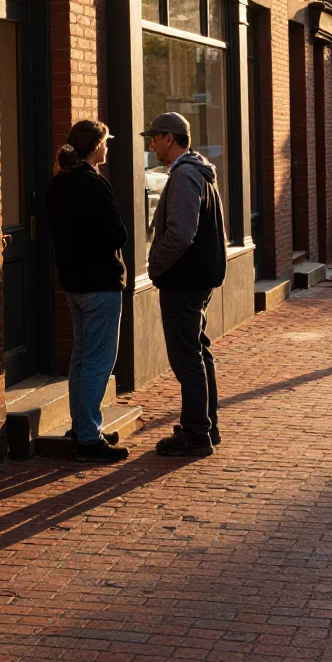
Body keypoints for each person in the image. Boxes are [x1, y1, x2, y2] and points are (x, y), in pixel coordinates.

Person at [143, 111, 227, 458]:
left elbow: (180, 233)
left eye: (155, 137)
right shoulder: (196, 172)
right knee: (197, 352)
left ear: (169, 139)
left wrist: (155, 265)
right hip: (194, 278)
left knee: (187, 357)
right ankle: (205, 424)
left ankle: (195, 434)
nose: (151, 145)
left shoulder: (185, 176)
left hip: (183, 280)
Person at [45, 119, 129, 465]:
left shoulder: (58, 184)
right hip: (100, 284)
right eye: (106, 141)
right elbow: (117, 235)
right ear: (95, 146)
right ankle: (89, 439)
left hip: (74, 283)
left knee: (81, 357)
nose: (108, 147)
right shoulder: (94, 184)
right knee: (97, 360)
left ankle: (83, 427)